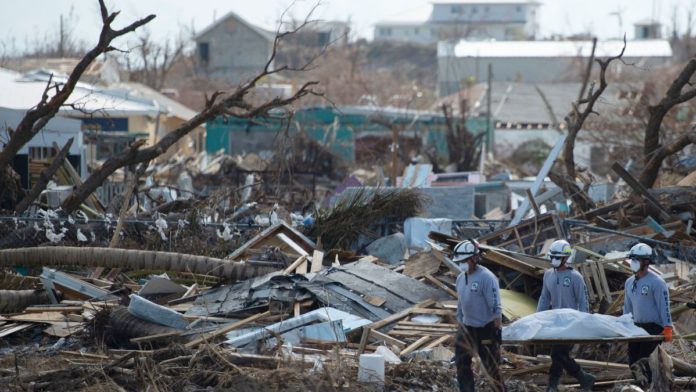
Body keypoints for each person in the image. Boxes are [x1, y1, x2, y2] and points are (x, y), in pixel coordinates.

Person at [537, 239, 595, 392]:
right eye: (552, 257)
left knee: (557, 353)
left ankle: (553, 385)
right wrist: (538, 318)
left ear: (565, 258)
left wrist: (583, 323)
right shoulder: (548, 275)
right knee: (559, 354)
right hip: (556, 322)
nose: (554, 260)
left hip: (571, 322)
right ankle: (583, 378)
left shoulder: (575, 277)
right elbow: (544, 298)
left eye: (557, 257)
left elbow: (583, 301)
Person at [453, 239, 505, 392]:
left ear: (473, 259)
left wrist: (497, 330)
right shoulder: (460, 278)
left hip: (485, 329)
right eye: (459, 261)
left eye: (463, 260)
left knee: (491, 369)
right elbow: (460, 304)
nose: (461, 263)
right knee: (461, 364)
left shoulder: (487, 278)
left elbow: (496, 307)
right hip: (467, 328)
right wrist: (459, 325)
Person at [623, 243, 672, 385]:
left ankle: (647, 385)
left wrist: (668, 327)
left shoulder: (657, 282)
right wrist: (624, 324)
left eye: (636, 259)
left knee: (643, 361)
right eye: (632, 259)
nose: (633, 263)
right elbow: (627, 306)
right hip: (635, 327)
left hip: (653, 328)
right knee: (632, 362)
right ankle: (642, 386)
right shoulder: (629, 282)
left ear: (646, 262)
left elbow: (664, 306)